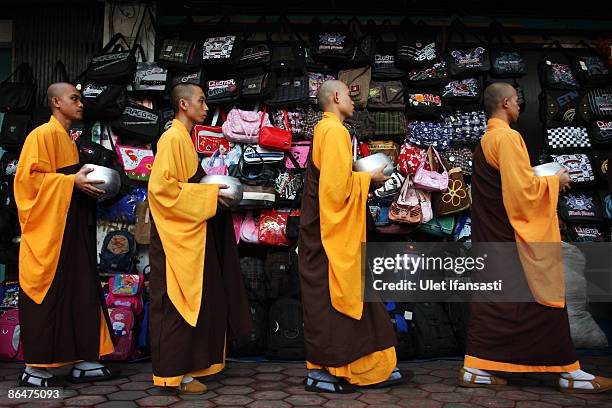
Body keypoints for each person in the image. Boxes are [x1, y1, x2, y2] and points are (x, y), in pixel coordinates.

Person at [460, 82, 612, 394]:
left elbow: (514, 184)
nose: (519, 106)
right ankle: (568, 372)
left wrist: (538, 181)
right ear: (505, 103)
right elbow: (523, 193)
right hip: (513, 238)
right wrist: (554, 181)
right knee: (543, 302)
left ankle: (475, 367)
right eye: (517, 100)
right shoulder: (507, 137)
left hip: (493, 237)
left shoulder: (487, 139)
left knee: (496, 304)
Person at [298, 80, 405, 393]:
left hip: (332, 230)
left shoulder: (332, 131)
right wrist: (366, 179)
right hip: (327, 235)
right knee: (330, 302)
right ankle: (321, 372)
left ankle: (370, 367)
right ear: (335, 97)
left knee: (359, 298)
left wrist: (358, 180)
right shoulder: (332, 132)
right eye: (349, 94)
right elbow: (334, 193)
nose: (354, 100)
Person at [148, 82, 251, 394]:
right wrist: (206, 195)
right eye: (202, 101)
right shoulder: (171, 138)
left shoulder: (184, 138)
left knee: (196, 298)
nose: (206, 108)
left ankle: (189, 368)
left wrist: (205, 194)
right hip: (172, 237)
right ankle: (171, 374)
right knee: (176, 300)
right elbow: (162, 190)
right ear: (183, 105)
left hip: (190, 232)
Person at [15, 83, 116, 387]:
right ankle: (36, 367)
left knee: (80, 292)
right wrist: (70, 182)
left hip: (71, 227)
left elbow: (69, 179)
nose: (81, 103)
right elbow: (27, 183)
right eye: (74, 98)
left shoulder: (69, 141)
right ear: (56, 102)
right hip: (49, 231)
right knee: (48, 293)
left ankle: (82, 359)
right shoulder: (41, 135)